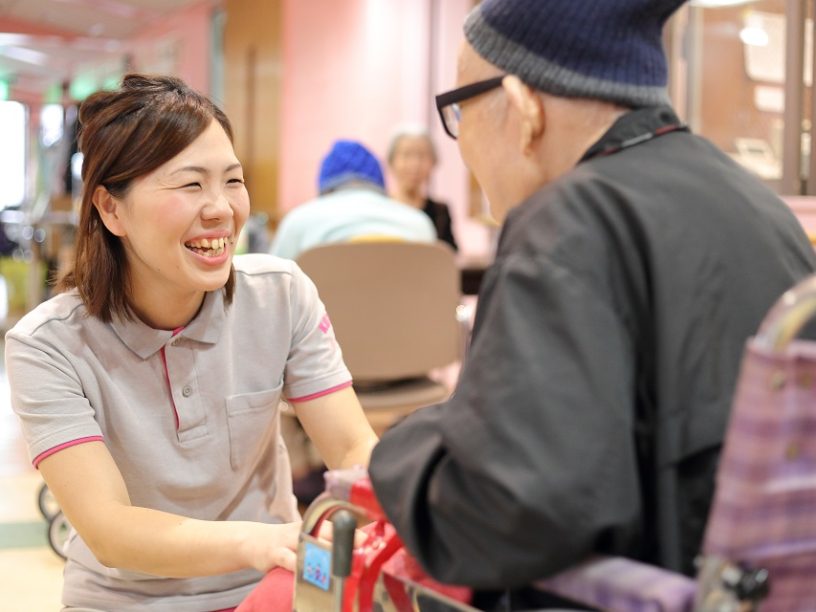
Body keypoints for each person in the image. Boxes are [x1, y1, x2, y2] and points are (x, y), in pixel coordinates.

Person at [367, 0, 816, 607]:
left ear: (523, 108)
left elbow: (506, 516)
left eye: (460, 109)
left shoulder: (566, 224)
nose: (461, 147)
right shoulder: (760, 208)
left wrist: (403, 446)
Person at [6, 74, 379, 611]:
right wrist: (260, 541)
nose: (222, 209)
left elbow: (350, 448)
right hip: (125, 599)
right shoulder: (47, 346)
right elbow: (110, 531)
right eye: (190, 185)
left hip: (269, 586)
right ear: (111, 210)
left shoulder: (282, 294)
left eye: (233, 180)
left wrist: (372, 506)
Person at [269, 139, 436, 260]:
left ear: (325, 187)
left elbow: (273, 289)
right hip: (405, 309)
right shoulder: (420, 225)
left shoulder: (298, 222)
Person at [387, 125, 458, 250]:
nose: (415, 164)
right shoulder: (382, 208)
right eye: (406, 155)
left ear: (433, 162)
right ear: (392, 161)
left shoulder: (440, 212)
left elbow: (451, 255)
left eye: (422, 156)